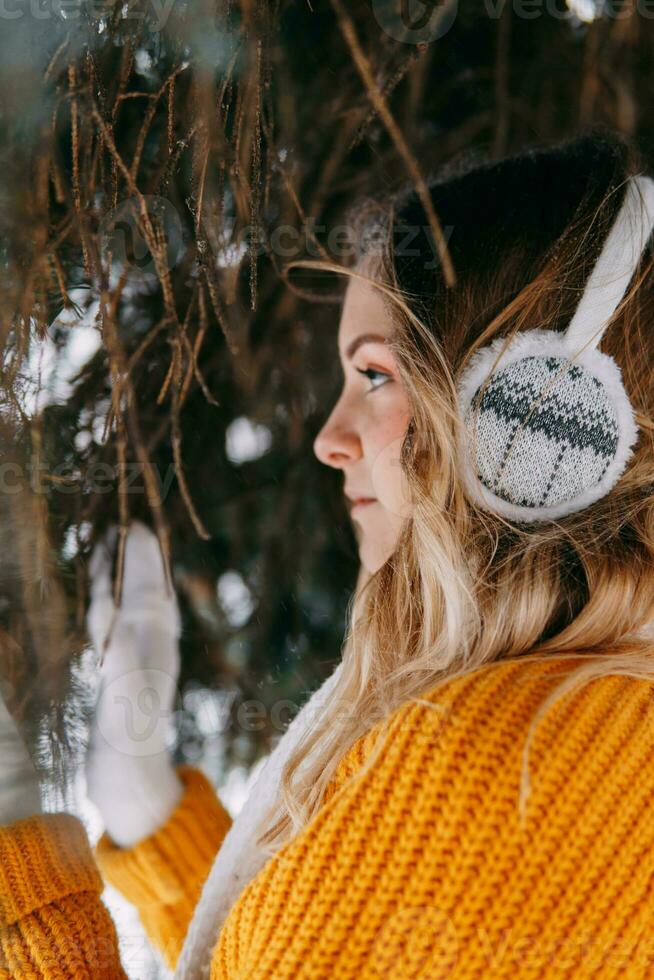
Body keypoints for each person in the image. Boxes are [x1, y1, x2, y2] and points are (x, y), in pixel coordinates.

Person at [1, 127, 654, 979]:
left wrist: (23, 888)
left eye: (377, 374)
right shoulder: (585, 730)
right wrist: (150, 810)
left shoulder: (505, 763)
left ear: (535, 416)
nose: (328, 439)